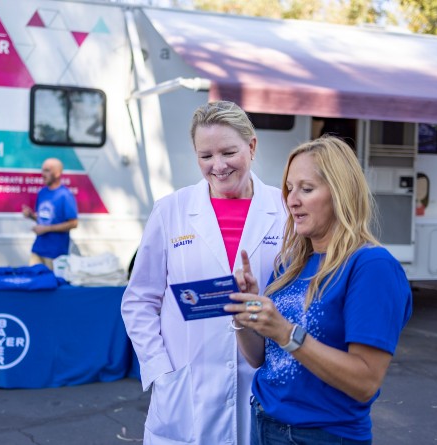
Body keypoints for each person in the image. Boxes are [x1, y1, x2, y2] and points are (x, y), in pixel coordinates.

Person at [225, 136, 412, 444]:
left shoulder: (372, 266)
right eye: (289, 188)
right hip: (263, 424)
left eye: (306, 189)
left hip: (321, 435)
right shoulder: (290, 264)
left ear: (340, 194)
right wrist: (245, 317)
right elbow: (259, 358)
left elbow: (365, 381)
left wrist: (286, 332)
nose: (291, 200)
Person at [121, 101, 285, 444]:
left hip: (262, 381)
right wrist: (160, 369)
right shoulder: (171, 211)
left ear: (252, 146)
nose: (218, 166)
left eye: (228, 152)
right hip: (186, 386)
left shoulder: (284, 210)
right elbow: (139, 299)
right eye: (205, 156)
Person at [22, 158, 78, 268]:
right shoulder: (42, 192)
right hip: (37, 250)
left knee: (51, 284)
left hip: (55, 254)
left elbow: (73, 223)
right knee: (33, 282)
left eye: (47, 170)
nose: (43, 174)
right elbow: (44, 219)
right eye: (42, 170)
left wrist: (46, 229)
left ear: (57, 173)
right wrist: (31, 216)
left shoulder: (65, 195)